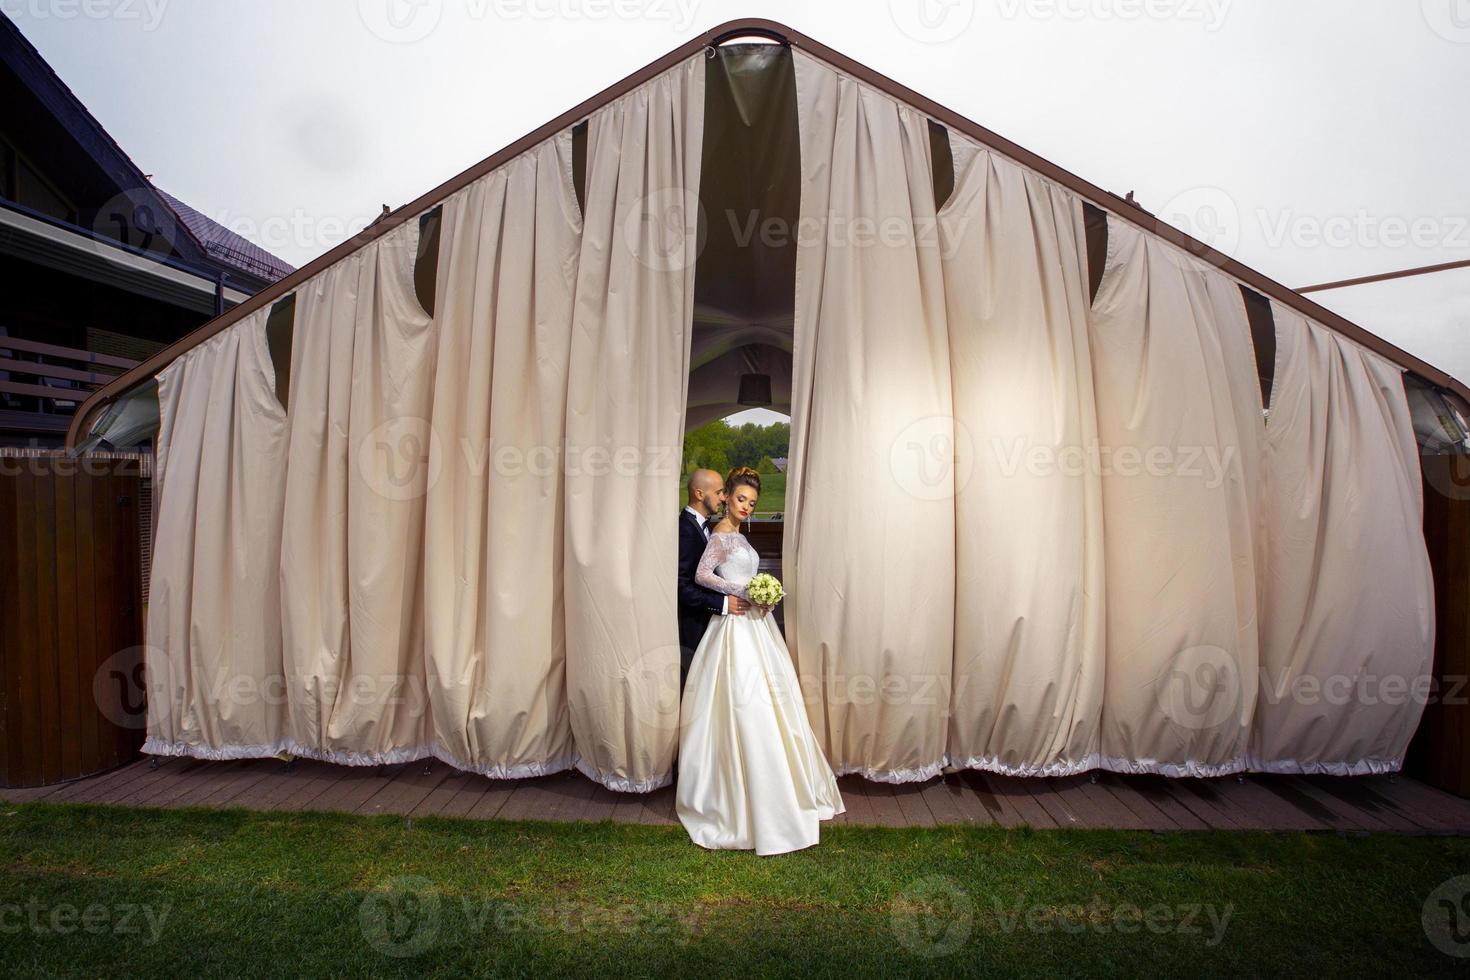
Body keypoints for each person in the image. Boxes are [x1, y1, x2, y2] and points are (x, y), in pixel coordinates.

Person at [676, 466, 845, 855]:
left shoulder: (736, 535)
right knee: (742, 703)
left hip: (755, 626)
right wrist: (745, 591)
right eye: (738, 499)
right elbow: (701, 575)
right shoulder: (720, 535)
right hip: (733, 627)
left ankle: (780, 785)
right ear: (727, 497)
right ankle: (740, 794)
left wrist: (762, 598)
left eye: (751, 502)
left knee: (772, 701)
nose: (745, 506)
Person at [677, 469, 750, 695]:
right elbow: (681, 586)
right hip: (693, 626)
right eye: (718, 492)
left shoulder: (709, 528)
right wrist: (723, 604)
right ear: (699, 493)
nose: (722, 497)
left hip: (715, 625)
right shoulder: (684, 530)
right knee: (696, 690)